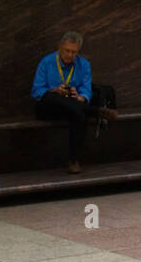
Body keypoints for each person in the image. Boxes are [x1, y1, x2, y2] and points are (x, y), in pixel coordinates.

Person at [32, 31, 117, 174]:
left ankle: (73, 160)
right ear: (60, 47)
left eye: (74, 52)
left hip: (73, 107)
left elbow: (86, 89)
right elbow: (36, 91)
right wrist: (55, 90)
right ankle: (96, 111)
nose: (70, 55)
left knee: (79, 114)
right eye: (67, 51)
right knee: (53, 97)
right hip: (49, 107)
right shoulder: (46, 62)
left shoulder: (84, 64)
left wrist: (81, 97)